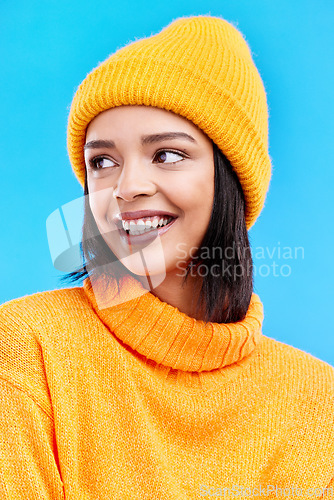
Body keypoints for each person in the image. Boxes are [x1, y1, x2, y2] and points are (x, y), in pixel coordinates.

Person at [0, 15, 333, 500]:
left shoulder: (318, 401)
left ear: (231, 180)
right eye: (103, 162)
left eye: (168, 155)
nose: (128, 187)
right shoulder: (27, 349)